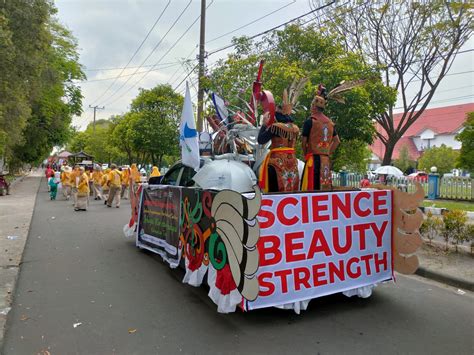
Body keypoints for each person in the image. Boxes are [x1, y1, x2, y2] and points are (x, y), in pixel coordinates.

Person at [301, 85, 340, 191]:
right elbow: (337, 141)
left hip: (313, 160)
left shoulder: (310, 121)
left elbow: (304, 142)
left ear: (314, 107)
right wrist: (327, 152)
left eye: (311, 105)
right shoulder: (331, 123)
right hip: (325, 160)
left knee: (311, 189)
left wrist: (306, 154)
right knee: (324, 188)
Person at [258, 103, 300, 193]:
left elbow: (261, 140)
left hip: (277, 163)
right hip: (292, 162)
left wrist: (264, 124)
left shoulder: (276, 127)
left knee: (275, 192)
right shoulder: (295, 128)